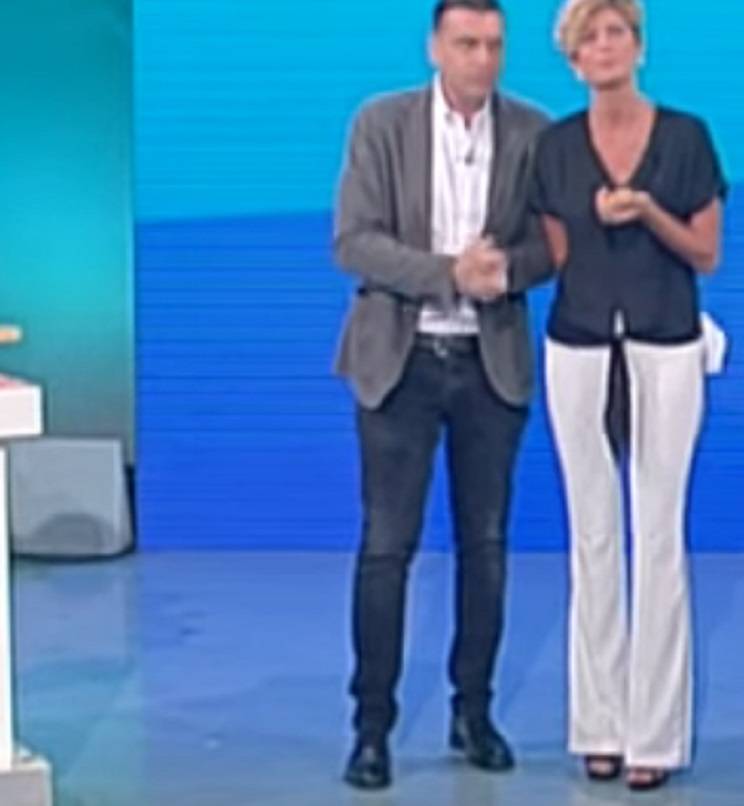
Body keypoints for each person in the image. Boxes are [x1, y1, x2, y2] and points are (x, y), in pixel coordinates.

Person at [330, 0, 551, 790]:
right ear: (435, 46)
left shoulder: (533, 132)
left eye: (494, 45)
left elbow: (551, 246)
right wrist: (447, 273)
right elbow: (353, 240)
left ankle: (473, 713)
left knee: (484, 547)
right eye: (466, 44)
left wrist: (508, 271)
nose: (482, 59)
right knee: (386, 547)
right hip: (401, 362)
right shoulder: (381, 124)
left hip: (490, 366)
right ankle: (372, 730)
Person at [532, 0, 727, 792]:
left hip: (666, 343)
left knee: (658, 535)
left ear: (638, 48)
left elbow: (706, 253)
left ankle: (656, 736)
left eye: (616, 32)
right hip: (577, 344)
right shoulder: (553, 148)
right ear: (573, 59)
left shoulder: (686, 138)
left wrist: (646, 210)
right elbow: (554, 254)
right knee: (592, 537)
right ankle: (599, 726)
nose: (604, 46)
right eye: (590, 37)